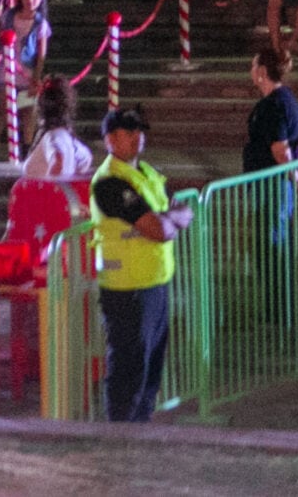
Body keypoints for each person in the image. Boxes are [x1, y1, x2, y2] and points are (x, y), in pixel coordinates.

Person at [92, 107, 192, 422]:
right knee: (129, 370)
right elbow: (160, 228)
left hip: (155, 284)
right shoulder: (110, 181)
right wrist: (172, 220)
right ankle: (120, 436)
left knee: (150, 370)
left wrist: (168, 220)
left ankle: (141, 432)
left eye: (140, 131)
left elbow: (175, 216)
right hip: (127, 290)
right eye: (129, 132)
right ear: (110, 139)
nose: (138, 137)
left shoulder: (146, 174)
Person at [243, 46, 298, 177]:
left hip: (271, 185)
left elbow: (281, 151)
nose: (251, 71)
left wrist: (297, 180)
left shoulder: (272, 105)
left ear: (262, 72)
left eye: (253, 66)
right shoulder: (288, 98)